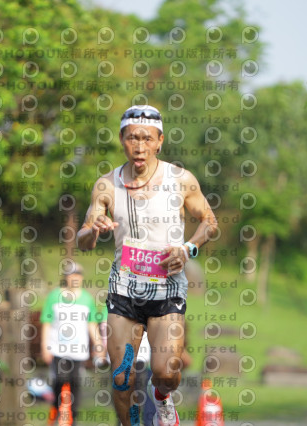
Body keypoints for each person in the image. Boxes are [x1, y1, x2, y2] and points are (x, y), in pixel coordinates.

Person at [77, 105, 218, 426]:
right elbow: (83, 240)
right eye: (132, 138)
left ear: (160, 141)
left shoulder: (180, 180)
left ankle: (162, 397)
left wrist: (188, 248)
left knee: (166, 372)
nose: (139, 146)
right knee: (121, 377)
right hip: (124, 291)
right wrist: (94, 229)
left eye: (147, 139)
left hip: (167, 291)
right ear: (121, 139)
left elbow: (209, 222)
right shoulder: (106, 185)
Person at [40, 262, 105, 424]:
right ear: (66, 277)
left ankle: (72, 418)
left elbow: (91, 324)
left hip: (78, 350)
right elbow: (47, 323)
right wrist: (45, 347)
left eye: (77, 274)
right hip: (57, 348)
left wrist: (99, 344)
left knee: (75, 384)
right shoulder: (54, 296)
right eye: (71, 275)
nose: (74, 278)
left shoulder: (87, 299)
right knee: (60, 380)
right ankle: (56, 410)